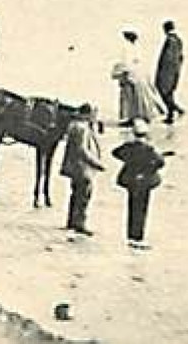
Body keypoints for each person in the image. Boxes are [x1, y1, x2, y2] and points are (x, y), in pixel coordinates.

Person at [111, 120, 164, 248]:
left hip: (131, 181)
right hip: (145, 182)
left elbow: (116, 153)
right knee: (142, 208)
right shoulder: (149, 149)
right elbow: (160, 162)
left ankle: (131, 234)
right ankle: (138, 235)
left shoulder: (128, 148)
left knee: (131, 206)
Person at [60, 103, 105, 235]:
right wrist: (97, 163)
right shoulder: (82, 128)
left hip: (74, 167)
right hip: (82, 168)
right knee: (83, 196)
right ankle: (79, 223)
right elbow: (82, 150)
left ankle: (71, 221)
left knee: (75, 194)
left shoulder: (75, 125)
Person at [113, 29, 169, 125]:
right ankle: (141, 116)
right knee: (140, 97)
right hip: (139, 74)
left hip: (131, 75)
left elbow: (126, 62)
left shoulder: (128, 48)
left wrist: (121, 72)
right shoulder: (136, 48)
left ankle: (133, 117)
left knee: (131, 98)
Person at [156, 20, 185, 124]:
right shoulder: (178, 40)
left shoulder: (170, 40)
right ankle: (173, 111)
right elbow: (181, 57)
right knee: (169, 91)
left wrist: (161, 71)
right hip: (175, 70)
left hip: (167, 71)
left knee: (164, 90)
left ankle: (172, 111)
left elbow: (168, 58)